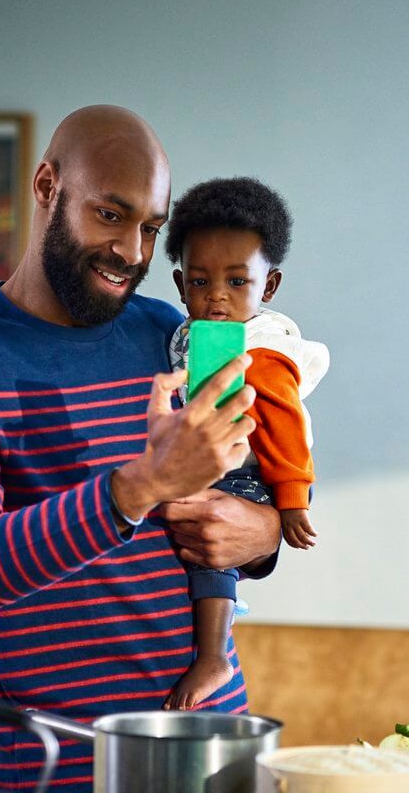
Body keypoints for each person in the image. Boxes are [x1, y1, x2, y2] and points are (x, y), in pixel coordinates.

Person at [0, 107, 281, 792]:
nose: (133, 252)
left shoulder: (170, 331)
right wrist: (137, 487)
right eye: (110, 214)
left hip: (211, 740)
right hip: (64, 758)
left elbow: (241, 489)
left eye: (151, 229)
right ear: (48, 185)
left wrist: (262, 535)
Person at [164, 177, 330, 710]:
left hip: (245, 473)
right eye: (199, 281)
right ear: (178, 282)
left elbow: (285, 423)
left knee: (208, 556)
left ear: (270, 284)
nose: (216, 296)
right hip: (212, 458)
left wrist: (292, 498)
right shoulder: (189, 333)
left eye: (238, 281)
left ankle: (212, 655)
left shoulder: (262, 348)